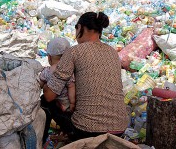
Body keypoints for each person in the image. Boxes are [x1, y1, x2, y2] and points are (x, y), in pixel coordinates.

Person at [42, 11, 129, 141]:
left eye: (76, 28)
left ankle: (47, 140)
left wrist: (44, 83)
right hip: (119, 129)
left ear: (80, 28)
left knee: (44, 100)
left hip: (87, 131)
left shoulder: (74, 52)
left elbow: (50, 96)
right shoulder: (113, 53)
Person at [38, 37, 75, 145]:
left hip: (61, 108)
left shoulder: (48, 71)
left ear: (49, 57)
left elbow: (40, 84)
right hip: (72, 108)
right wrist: (72, 102)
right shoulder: (72, 70)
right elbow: (72, 86)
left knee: (44, 101)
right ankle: (68, 132)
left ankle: (42, 139)